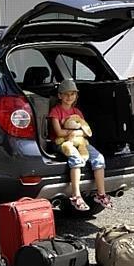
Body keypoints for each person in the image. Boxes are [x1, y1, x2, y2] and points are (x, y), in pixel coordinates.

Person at [49, 79, 113, 211]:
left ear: (76, 96)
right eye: (66, 94)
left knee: (99, 158)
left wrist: (76, 133)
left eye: (72, 94)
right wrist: (74, 132)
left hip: (80, 142)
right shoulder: (55, 111)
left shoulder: (77, 112)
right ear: (60, 96)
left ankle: (101, 194)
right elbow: (59, 132)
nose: (69, 97)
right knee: (76, 159)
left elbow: (85, 131)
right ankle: (76, 196)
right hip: (62, 143)